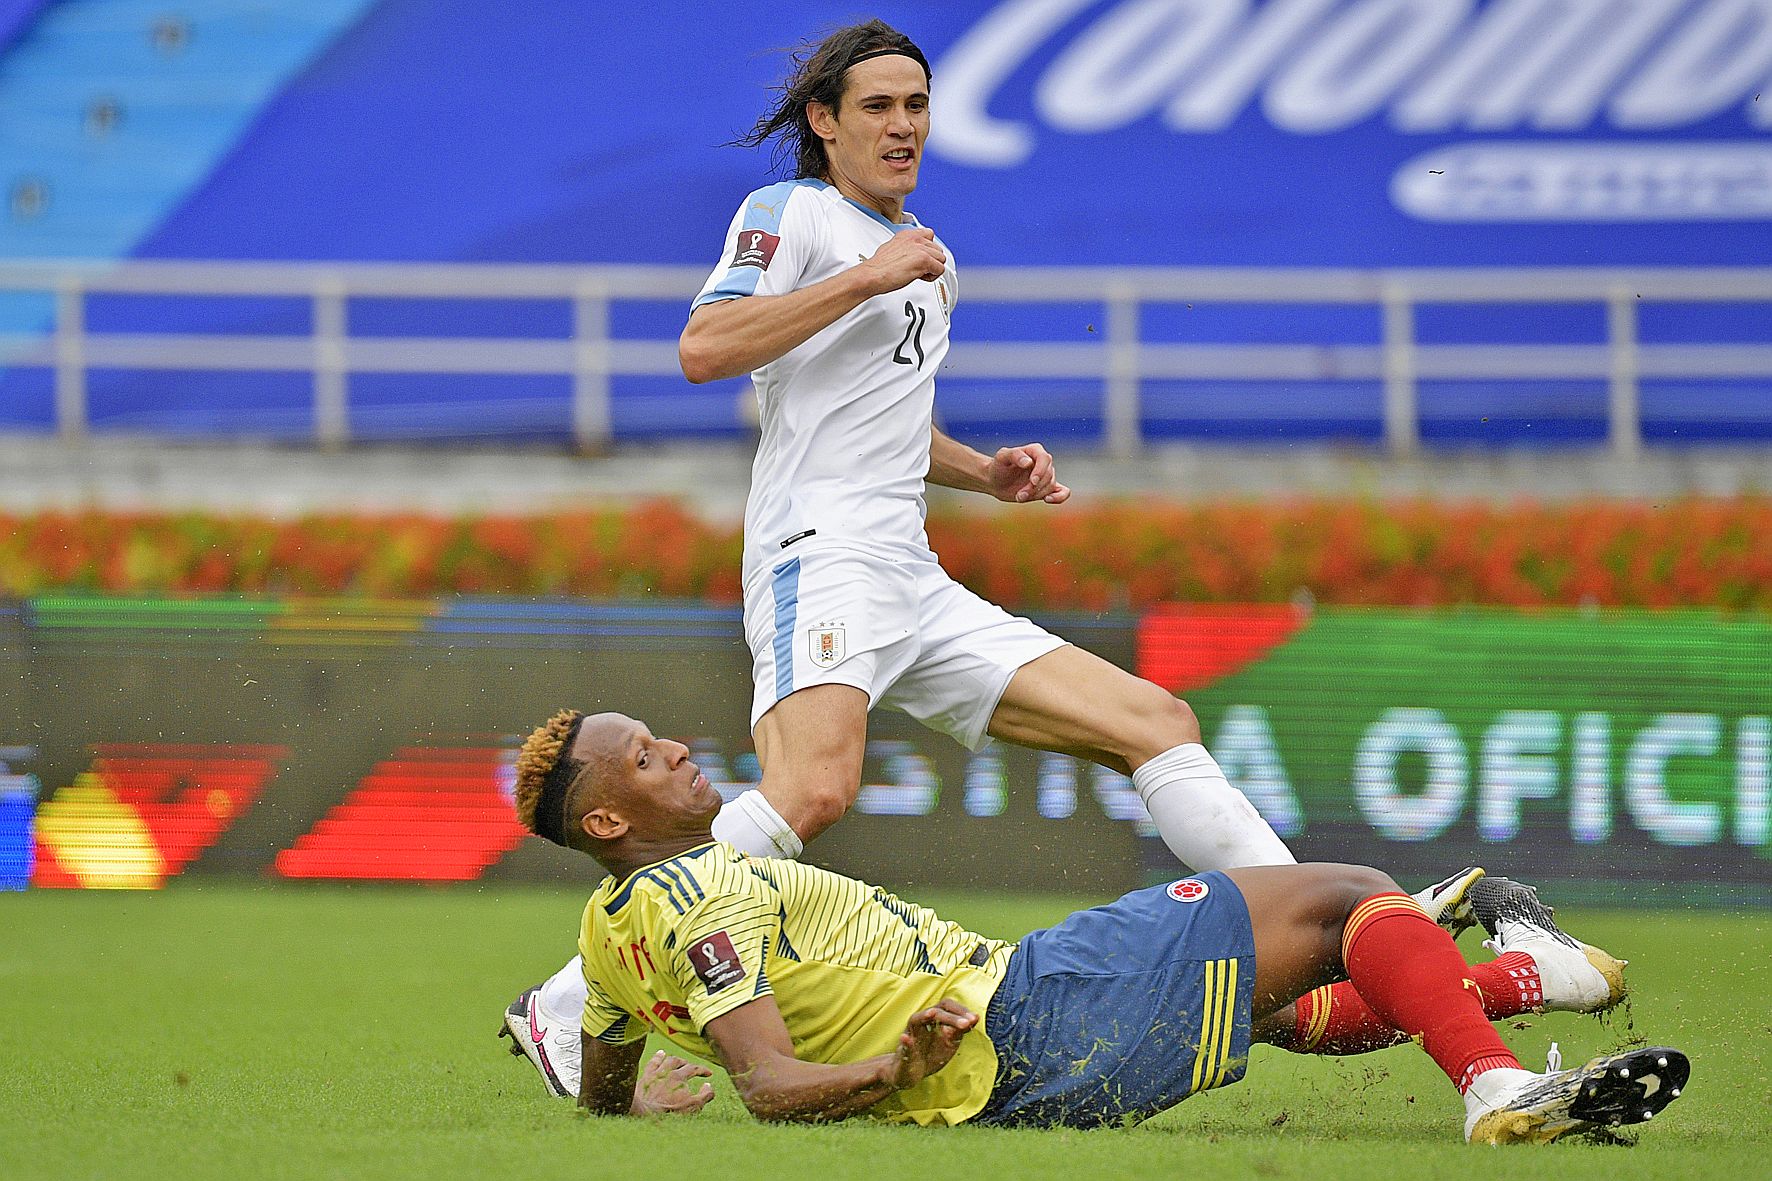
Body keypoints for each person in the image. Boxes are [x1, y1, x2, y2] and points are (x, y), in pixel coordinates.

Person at [505, 16, 1372, 1081]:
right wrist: (865, 277)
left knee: (1154, 721)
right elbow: (703, 346)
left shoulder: (924, 252)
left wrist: (981, 472)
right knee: (812, 788)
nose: (902, 124)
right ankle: (569, 995)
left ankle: (1326, 937)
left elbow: (880, 421)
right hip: (819, 552)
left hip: (909, 571)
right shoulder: (794, 213)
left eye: (916, 104)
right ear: (824, 122)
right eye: (876, 105)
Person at [500, 709, 1688, 1143]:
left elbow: (603, 1074)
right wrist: (884, 1067)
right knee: (1343, 895)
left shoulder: (608, 927)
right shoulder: (704, 893)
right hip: (1029, 1009)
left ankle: (1536, 979)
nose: (675, 749)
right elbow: (764, 1082)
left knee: (1287, 1003)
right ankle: (1494, 1087)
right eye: (644, 757)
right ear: (606, 816)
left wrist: (631, 1104)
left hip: (1021, 1078)